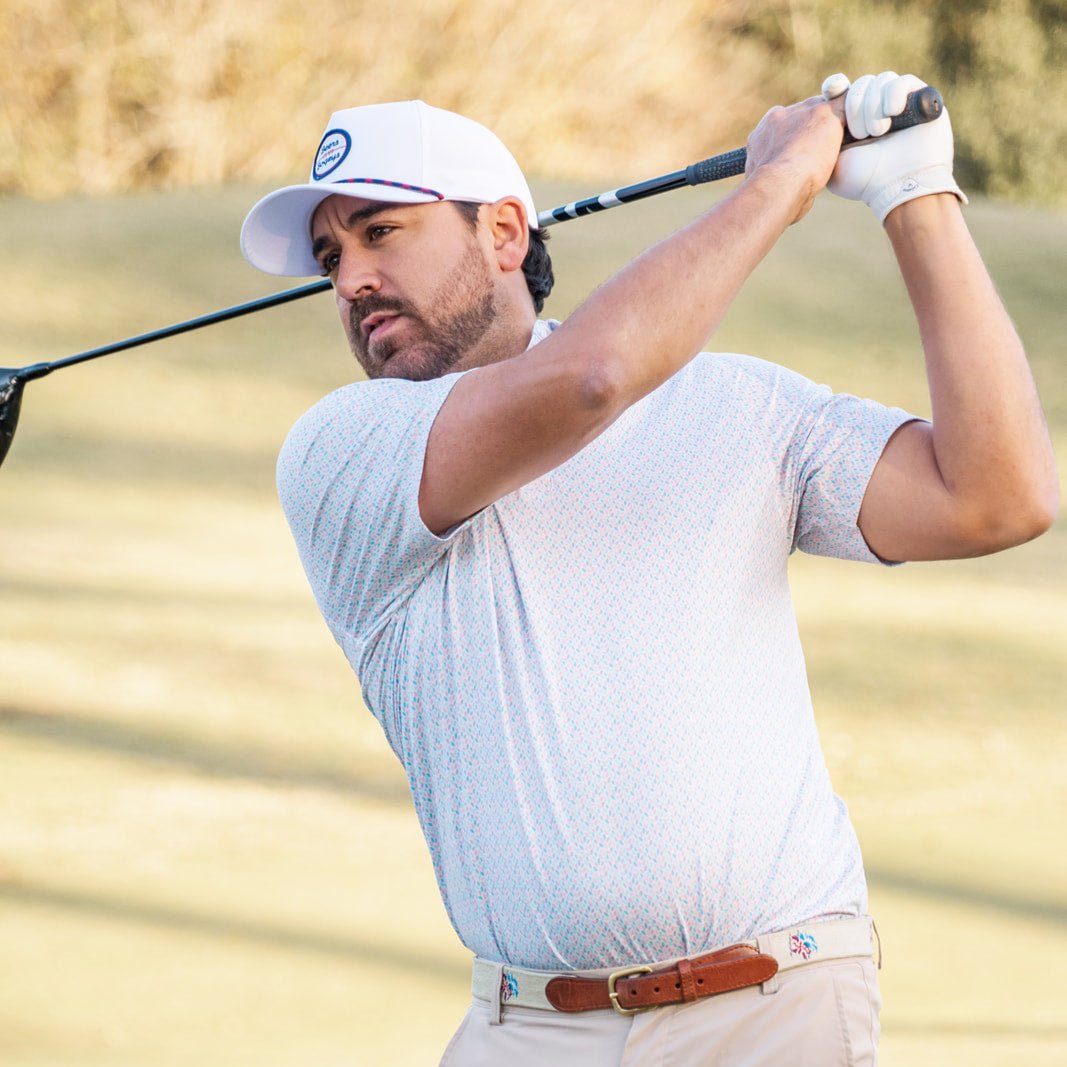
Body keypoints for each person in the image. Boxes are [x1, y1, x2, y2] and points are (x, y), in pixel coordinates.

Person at [239, 74, 1058, 1066]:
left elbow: (996, 496)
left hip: (775, 1006)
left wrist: (912, 195)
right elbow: (589, 377)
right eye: (331, 256)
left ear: (504, 234)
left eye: (379, 232)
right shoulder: (343, 448)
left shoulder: (737, 407)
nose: (350, 279)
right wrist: (776, 186)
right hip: (525, 1027)